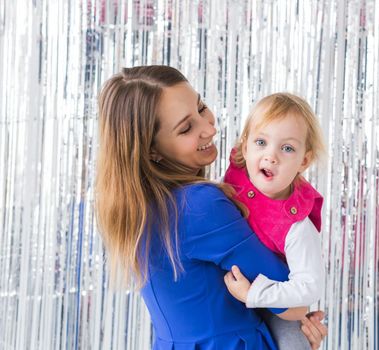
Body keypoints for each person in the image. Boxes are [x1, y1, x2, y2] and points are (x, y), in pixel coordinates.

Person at [95, 65, 327, 350]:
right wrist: (296, 337)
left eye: (201, 107)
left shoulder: (139, 207)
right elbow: (294, 303)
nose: (210, 127)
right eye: (186, 128)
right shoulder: (200, 205)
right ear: (151, 150)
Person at [222, 93, 326, 349]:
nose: (271, 156)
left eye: (287, 148)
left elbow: (309, 287)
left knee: (295, 342)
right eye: (261, 142)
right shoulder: (233, 182)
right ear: (245, 147)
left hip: (275, 299)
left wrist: (255, 294)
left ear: (304, 160)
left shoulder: (297, 224)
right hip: (225, 291)